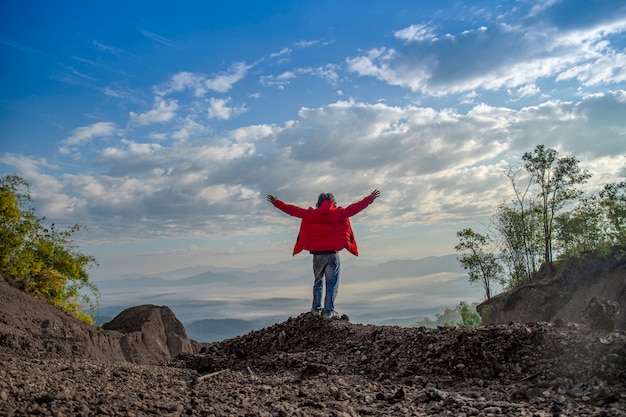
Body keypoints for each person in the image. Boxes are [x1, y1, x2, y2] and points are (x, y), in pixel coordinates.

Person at [266, 189, 380, 318]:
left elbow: (292, 210)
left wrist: (277, 203)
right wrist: (369, 199)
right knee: (332, 285)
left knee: (318, 282)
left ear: (318, 203)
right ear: (333, 202)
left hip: (317, 256)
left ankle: (315, 309)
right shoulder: (339, 213)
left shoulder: (310, 215)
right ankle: (328, 312)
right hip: (332, 255)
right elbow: (355, 208)